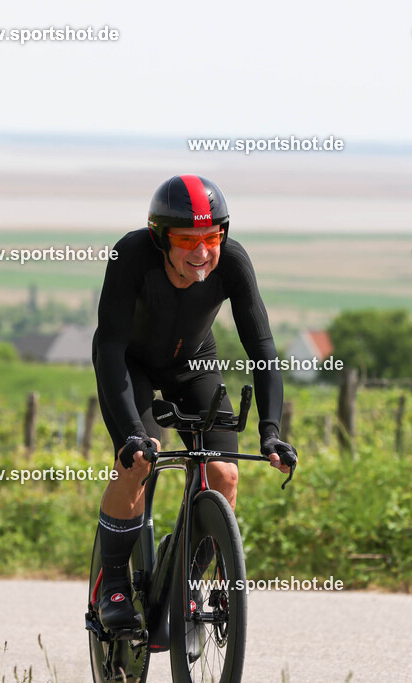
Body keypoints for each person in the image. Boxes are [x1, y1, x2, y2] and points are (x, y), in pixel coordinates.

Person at [92, 174, 298, 630]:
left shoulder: (235, 263)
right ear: (160, 237)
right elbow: (109, 348)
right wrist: (131, 433)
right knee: (141, 461)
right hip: (130, 363)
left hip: (194, 363)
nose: (202, 253)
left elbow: (262, 350)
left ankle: (184, 571)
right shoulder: (130, 255)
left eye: (212, 237)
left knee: (224, 472)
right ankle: (115, 584)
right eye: (188, 240)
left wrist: (271, 432)